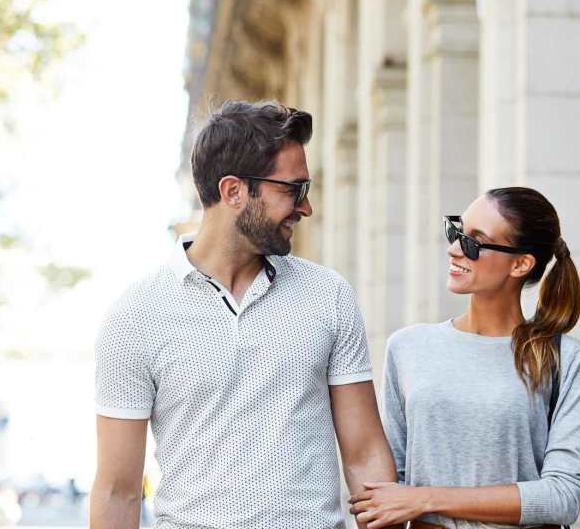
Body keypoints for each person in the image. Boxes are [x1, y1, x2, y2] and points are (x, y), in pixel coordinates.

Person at [90, 100, 398, 529]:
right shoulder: (136, 316)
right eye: (293, 189)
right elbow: (117, 490)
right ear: (233, 191)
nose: (306, 208)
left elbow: (365, 456)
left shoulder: (328, 296)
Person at [349, 187, 580, 529]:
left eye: (474, 241)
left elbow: (565, 495)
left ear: (521, 264)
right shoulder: (408, 347)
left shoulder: (565, 359)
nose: (453, 249)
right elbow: (387, 488)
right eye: (457, 231)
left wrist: (425, 498)